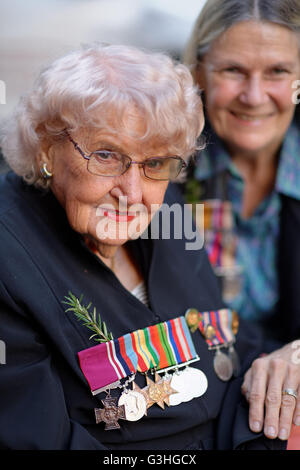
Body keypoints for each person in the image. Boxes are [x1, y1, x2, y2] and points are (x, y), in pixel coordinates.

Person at [0, 42, 286, 451]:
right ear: (48, 150)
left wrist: (284, 358)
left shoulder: (164, 205)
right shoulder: (8, 255)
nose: (132, 192)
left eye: (155, 162)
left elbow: (223, 339)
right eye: (105, 155)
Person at [182, 0, 300, 444]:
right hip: (198, 409)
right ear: (198, 73)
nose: (254, 96)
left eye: (277, 72)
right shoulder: (159, 171)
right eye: (233, 70)